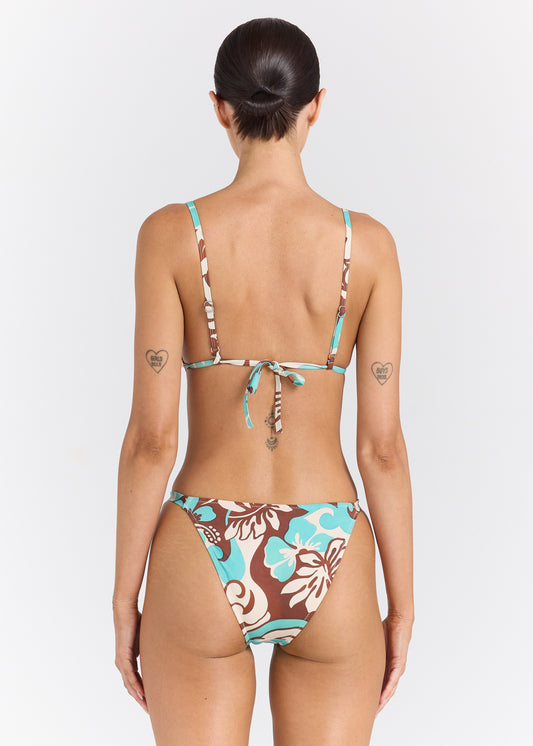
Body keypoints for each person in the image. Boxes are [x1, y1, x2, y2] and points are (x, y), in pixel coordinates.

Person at [112, 16, 414, 746]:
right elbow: (380, 449)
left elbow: (152, 441)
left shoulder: (171, 235)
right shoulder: (368, 248)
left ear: (220, 108)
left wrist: (125, 600)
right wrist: (401, 606)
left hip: (202, 543)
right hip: (330, 543)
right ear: (316, 106)